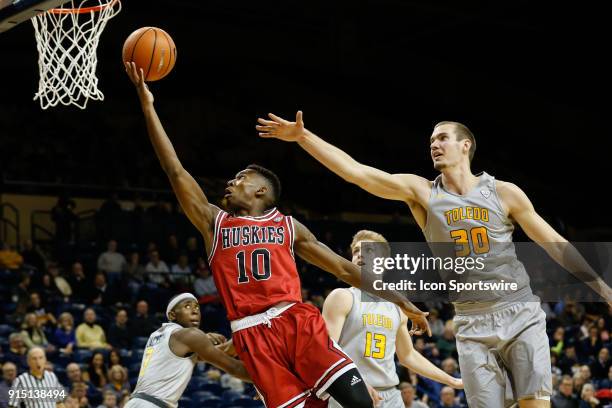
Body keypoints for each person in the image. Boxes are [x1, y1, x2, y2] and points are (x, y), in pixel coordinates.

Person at [125, 62, 428, 408]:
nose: (231, 182)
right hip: (252, 335)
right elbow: (174, 169)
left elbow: (343, 269)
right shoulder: (214, 222)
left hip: (296, 322)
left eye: (241, 178)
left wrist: (400, 300)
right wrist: (147, 105)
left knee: (360, 402)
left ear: (261, 191)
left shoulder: (288, 226)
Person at [257, 112, 612, 407]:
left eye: (442, 138)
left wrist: (601, 287)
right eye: (431, 142)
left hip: (519, 311)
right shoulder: (423, 192)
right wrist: (304, 138)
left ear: (465, 145)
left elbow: (555, 244)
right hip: (471, 323)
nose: (434, 145)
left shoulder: (503, 193)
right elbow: (358, 173)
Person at [323, 230, 463, 408]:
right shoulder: (342, 297)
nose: (360, 254)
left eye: (369, 250)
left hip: (390, 395)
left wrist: (452, 381)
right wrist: (354, 382)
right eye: (356, 251)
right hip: (350, 392)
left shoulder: (397, 306)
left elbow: (408, 356)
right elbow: (326, 350)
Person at [123, 293, 251, 408]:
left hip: (139, 402)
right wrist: (267, 381)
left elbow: (217, 353)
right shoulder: (190, 335)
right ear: (172, 315)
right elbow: (234, 368)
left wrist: (238, 338)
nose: (195, 311)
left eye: (197, 307)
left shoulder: (158, 334)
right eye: (187, 306)